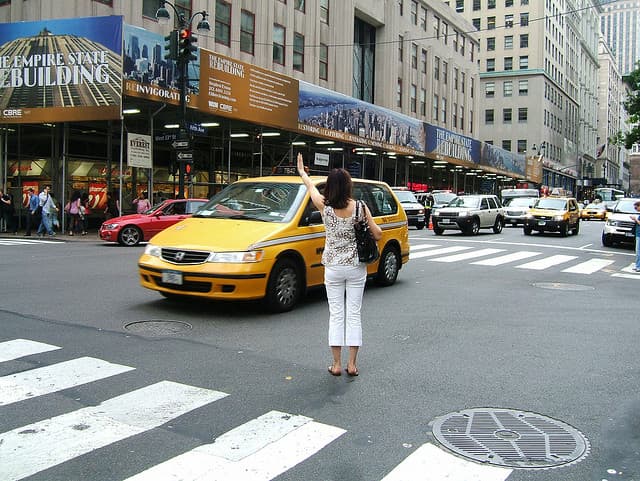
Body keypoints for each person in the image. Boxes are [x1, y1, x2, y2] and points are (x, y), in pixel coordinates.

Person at [296, 152, 382, 377]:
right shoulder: (361, 207)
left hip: (333, 267)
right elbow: (378, 235)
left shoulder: (325, 207)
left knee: (336, 314)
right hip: (355, 266)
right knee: (354, 314)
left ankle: (336, 364)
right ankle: (352, 365)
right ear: (348, 186)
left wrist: (303, 173)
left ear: (331, 187)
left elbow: (311, 188)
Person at [631, 200, 640, 272]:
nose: (635, 209)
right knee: (637, 251)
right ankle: (637, 265)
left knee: (638, 251)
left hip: (639, 235)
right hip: (638, 234)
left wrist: (635, 219)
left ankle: (638, 266)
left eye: (636, 208)